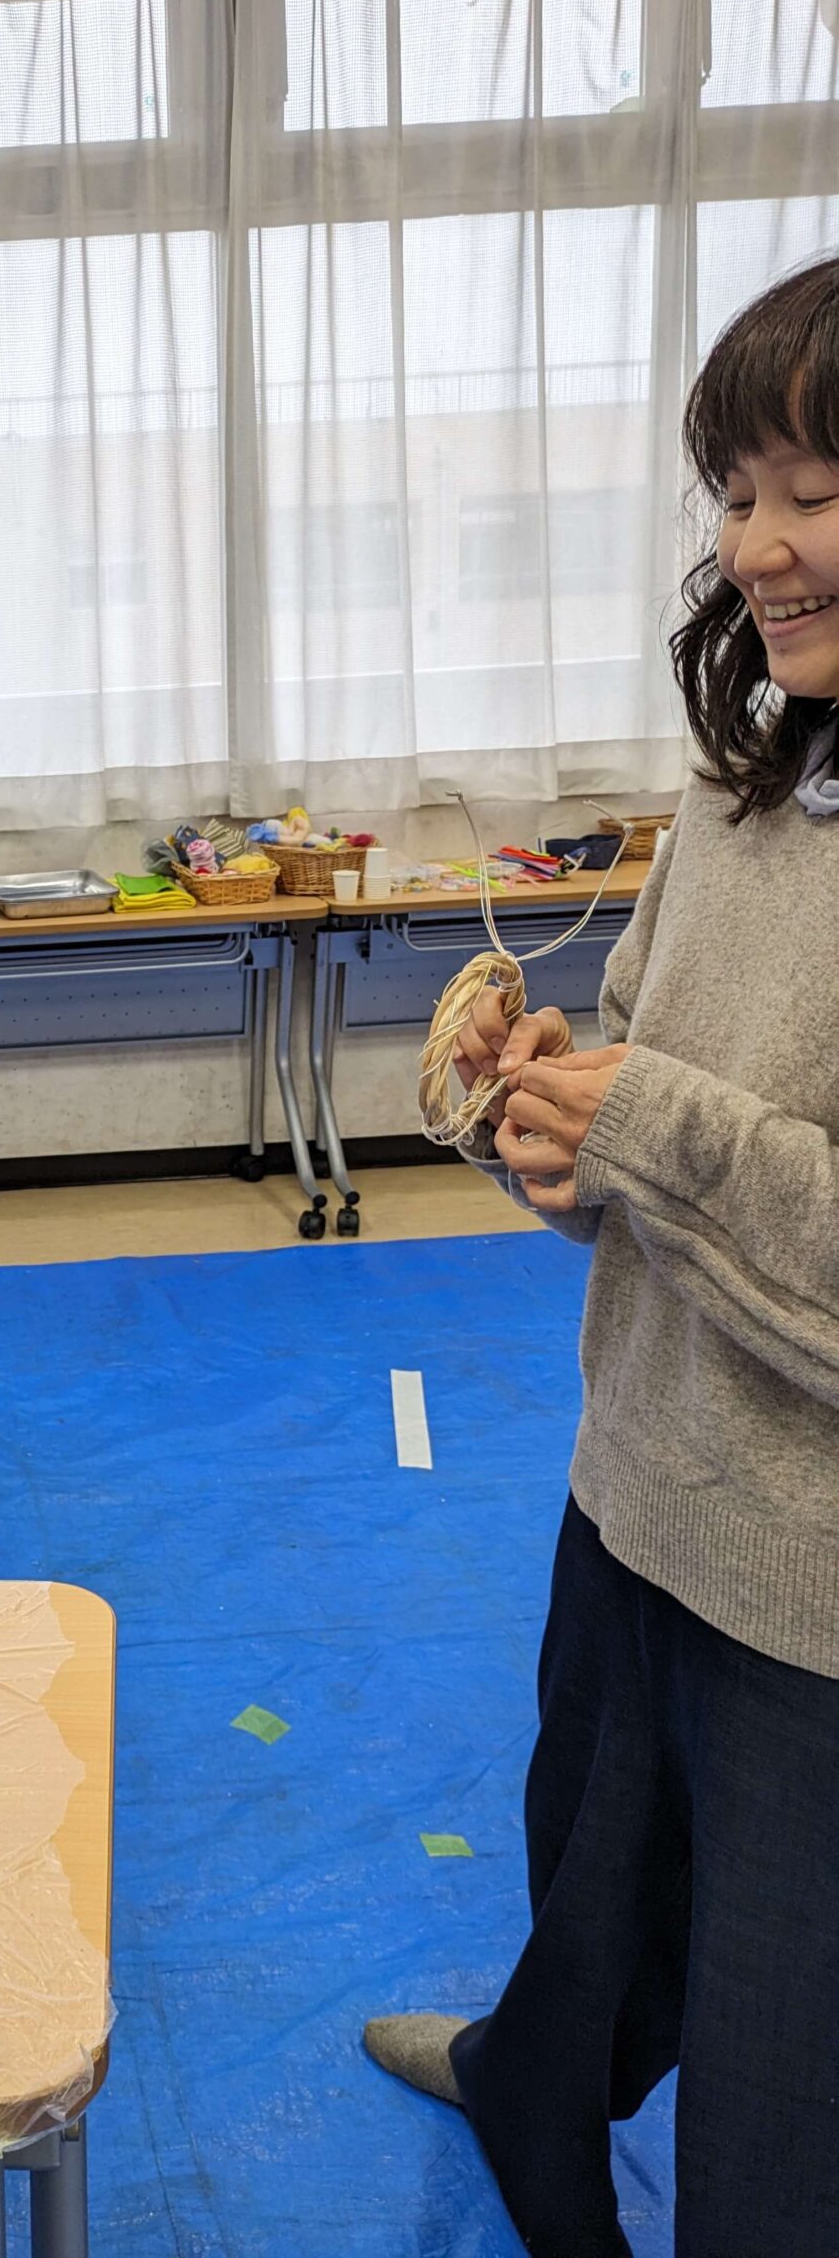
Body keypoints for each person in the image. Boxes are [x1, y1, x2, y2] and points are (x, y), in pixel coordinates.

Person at [363, 255, 839, 2256]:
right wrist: (542, 1117)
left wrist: (640, 1117)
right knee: (588, 1873)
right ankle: (525, 2079)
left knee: (776, 2089)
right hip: (636, 1488)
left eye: (810, 490)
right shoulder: (744, 790)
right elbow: (635, 1115)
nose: (755, 547)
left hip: (810, 1597)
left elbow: (704, 1150)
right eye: (732, 492)